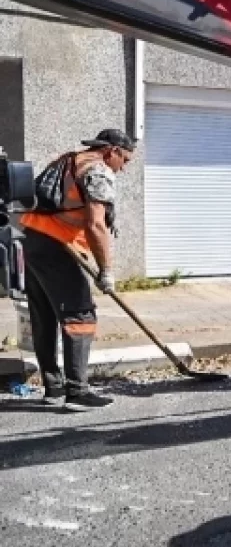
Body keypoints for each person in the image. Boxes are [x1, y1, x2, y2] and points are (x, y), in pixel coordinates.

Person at [20, 129, 136, 412]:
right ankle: (77, 392)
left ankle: (54, 386)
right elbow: (96, 224)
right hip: (57, 246)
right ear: (112, 151)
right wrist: (106, 270)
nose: (124, 167)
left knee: (44, 315)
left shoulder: (68, 160)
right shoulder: (98, 171)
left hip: (32, 239)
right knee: (80, 314)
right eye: (126, 160)